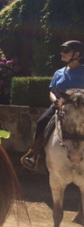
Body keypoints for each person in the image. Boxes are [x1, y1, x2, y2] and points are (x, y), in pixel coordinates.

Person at [21, 40, 84, 170]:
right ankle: (34, 154)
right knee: (41, 122)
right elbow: (52, 91)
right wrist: (54, 100)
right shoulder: (58, 73)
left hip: (80, 108)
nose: (62, 53)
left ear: (77, 53)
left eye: (66, 51)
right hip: (59, 106)